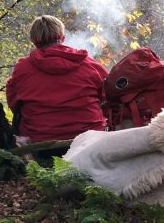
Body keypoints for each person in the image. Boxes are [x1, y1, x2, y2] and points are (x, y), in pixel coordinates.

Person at [6, 15, 108, 162]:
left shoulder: (22, 69)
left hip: (41, 144)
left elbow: (14, 104)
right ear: (62, 37)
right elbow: (109, 94)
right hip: (89, 140)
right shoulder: (88, 63)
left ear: (34, 41)